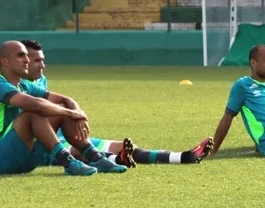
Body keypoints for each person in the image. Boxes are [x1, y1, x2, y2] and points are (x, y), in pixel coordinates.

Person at [12, 40, 213, 168]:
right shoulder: (12, 86)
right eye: (36, 60)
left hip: (64, 136)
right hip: (45, 146)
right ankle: (115, 160)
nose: (41, 65)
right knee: (82, 152)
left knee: (124, 146)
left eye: (42, 60)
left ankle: (183, 157)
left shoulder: (40, 82)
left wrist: (77, 113)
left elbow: (62, 101)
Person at [0, 41, 126, 175]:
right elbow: (37, 105)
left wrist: (77, 112)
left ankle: (94, 157)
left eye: (27, 56)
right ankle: (68, 162)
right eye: (21, 56)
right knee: (34, 112)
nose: (27, 60)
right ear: (5, 61)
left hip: (24, 158)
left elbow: (65, 99)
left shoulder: (24, 85)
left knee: (58, 109)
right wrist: (71, 113)